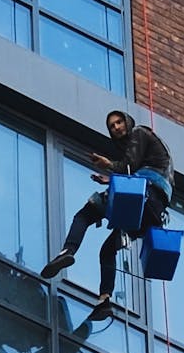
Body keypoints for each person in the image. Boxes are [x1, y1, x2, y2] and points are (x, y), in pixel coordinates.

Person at [40, 110, 174, 321]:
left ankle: (67, 251)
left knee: (85, 215)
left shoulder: (139, 132)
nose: (117, 127)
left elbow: (128, 167)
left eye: (119, 122)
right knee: (107, 250)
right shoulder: (148, 149)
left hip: (144, 196)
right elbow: (137, 170)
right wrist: (110, 179)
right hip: (151, 211)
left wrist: (108, 165)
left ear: (128, 122)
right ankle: (104, 301)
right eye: (112, 126)